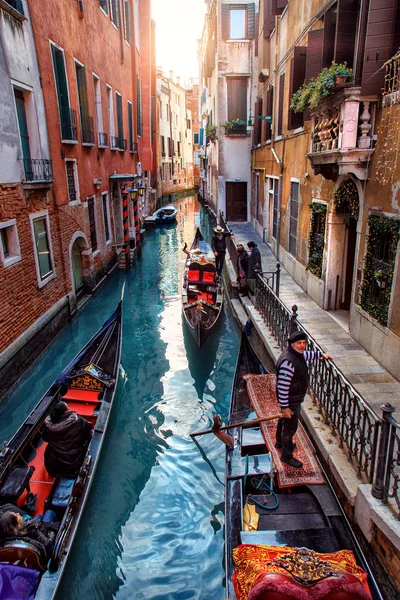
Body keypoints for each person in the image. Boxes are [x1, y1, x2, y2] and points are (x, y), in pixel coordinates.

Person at [275, 331, 332, 469]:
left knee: (283, 421)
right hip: (290, 400)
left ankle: (279, 443)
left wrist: (320, 355)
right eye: (299, 343)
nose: (302, 346)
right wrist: (285, 407)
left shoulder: (295, 354)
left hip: (293, 398)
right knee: (290, 428)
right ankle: (286, 456)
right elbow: (282, 387)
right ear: (292, 344)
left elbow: (305, 355)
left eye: (304, 343)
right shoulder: (288, 362)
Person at [43, 401, 92, 478]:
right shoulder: (78, 420)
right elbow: (88, 428)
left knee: (50, 447)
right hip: (75, 459)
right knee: (88, 435)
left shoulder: (49, 427)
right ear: (65, 411)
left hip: (56, 462)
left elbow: (45, 438)